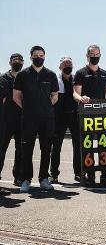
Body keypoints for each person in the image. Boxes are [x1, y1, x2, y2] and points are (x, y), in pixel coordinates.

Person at [13, 46, 59, 192]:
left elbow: (55, 96)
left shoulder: (51, 75)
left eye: (41, 55)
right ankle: (26, 179)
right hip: (28, 118)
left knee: (46, 149)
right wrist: (28, 108)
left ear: (44, 56)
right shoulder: (23, 74)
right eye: (35, 55)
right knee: (27, 149)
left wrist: (44, 107)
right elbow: (16, 96)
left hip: (47, 118)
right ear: (31, 57)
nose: (38, 57)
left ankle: (44, 178)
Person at [73, 44, 106, 184]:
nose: (95, 57)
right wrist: (81, 98)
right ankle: (89, 174)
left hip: (103, 116)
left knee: (104, 145)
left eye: (97, 54)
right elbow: (75, 94)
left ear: (100, 55)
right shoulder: (80, 73)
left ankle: (105, 174)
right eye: (92, 54)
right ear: (87, 55)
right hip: (86, 115)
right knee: (87, 145)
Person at [49, 57, 80, 184]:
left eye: (70, 64)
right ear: (60, 67)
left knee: (77, 146)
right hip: (59, 117)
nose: (68, 66)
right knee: (56, 147)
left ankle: (78, 173)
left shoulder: (76, 79)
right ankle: (54, 174)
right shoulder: (55, 80)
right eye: (65, 64)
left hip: (74, 116)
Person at [0, 53, 24, 186]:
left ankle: (18, 177)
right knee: (2, 149)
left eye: (20, 60)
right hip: (6, 120)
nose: (18, 62)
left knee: (20, 149)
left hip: (21, 118)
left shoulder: (24, 78)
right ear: (10, 63)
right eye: (15, 60)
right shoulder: (3, 78)